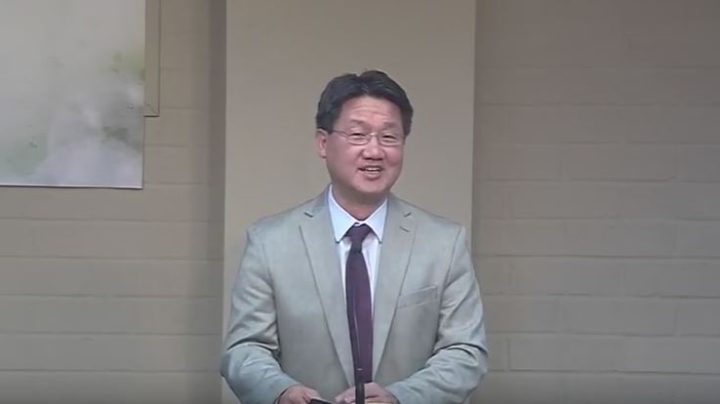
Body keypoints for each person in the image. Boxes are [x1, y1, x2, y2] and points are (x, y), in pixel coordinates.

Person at [221, 70, 488, 404]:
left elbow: (465, 352)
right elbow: (245, 349)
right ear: (323, 143)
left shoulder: (444, 243)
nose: (374, 151)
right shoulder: (270, 242)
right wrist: (280, 392)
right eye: (358, 135)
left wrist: (401, 397)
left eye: (389, 137)